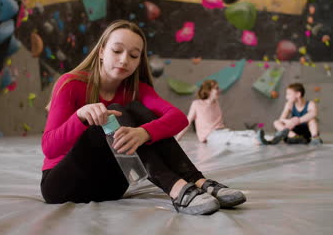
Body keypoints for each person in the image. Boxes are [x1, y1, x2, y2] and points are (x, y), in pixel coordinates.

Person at [40, 20, 246, 215]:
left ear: (139, 61)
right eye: (117, 50)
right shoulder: (70, 83)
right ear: (102, 51)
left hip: (110, 187)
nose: (124, 60)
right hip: (62, 185)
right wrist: (80, 117)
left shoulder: (138, 89)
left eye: (133, 55)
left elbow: (178, 118)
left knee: (138, 110)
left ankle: (198, 181)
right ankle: (176, 188)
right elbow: (49, 148)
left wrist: (144, 133)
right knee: (112, 113)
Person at [176, 80, 256, 146]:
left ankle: (266, 138)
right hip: (210, 135)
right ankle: (256, 141)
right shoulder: (197, 104)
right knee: (231, 138)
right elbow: (188, 121)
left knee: (247, 133)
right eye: (216, 88)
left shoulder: (216, 103)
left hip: (221, 131)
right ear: (209, 91)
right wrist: (177, 138)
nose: (219, 90)